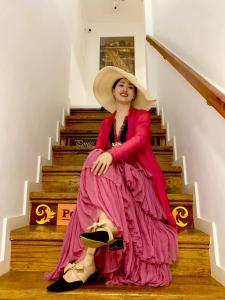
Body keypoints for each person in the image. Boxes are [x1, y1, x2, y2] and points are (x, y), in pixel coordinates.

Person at [46, 66, 178, 292]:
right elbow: (98, 152)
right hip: (114, 178)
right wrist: (104, 154)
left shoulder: (142, 116)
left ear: (135, 94)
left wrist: (112, 154)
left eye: (130, 87)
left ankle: (93, 252)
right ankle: (102, 234)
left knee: (102, 159)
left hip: (138, 176)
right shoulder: (106, 123)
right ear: (114, 91)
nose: (125, 89)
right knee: (94, 156)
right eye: (121, 85)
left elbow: (139, 139)